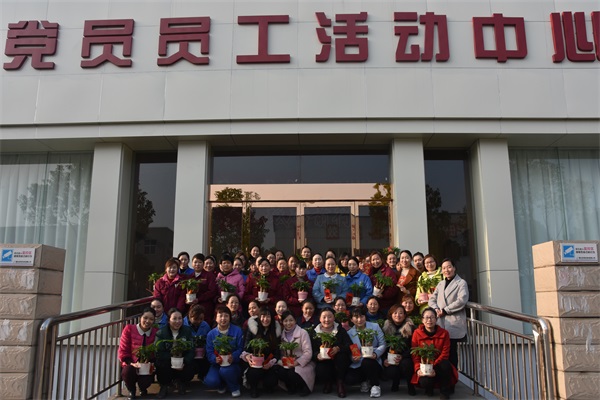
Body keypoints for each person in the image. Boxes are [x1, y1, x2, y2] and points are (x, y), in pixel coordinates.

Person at [428, 258, 469, 370]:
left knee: (452, 354)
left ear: (454, 268)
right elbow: (432, 299)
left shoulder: (461, 283)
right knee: (440, 352)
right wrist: (436, 309)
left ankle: (453, 377)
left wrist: (445, 310)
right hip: (441, 322)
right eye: (444, 268)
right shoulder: (441, 283)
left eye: (449, 267)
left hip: (453, 322)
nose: (446, 270)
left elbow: (462, 300)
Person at [411, 308, 458, 399]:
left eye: (432, 317)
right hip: (424, 366)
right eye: (426, 317)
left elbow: (445, 354)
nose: (429, 320)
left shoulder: (444, 333)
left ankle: (444, 392)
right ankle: (429, 388)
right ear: (422, 320)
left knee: (445, 364)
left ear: (436, 319)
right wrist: (418, 369)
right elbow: (415, 355)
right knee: (425, 382)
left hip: (438, 364)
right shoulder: (416, 333)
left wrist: (433, 366)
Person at [311, 307, 352, 398]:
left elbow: (349, 344)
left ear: (334, 318)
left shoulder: (340, 330)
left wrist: (338, 348)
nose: (327, 320)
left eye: (330, 317)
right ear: (320, 319)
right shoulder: (314, 332)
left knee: (342, 357)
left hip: (338, 359)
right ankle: (328, 382)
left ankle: (340, 383)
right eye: (324, 317)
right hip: (324, 360)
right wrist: (317, 355)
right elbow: (312, 350)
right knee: (320, 369)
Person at [205, 306, 245, 398]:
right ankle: (222, 385)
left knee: (226, 371)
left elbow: (240, 348)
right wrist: (214, 359)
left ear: (230, 317)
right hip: (217, 364)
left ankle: (234, 387)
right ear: (216, 318)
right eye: (220, 316)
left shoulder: (237, 330)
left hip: (233, 364)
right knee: (210, 381)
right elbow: (209, 352)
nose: (223, 318)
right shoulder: (211, 334)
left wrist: (233, 356)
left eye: (226, 316)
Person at [346, 307, 386, 398]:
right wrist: (353, 358)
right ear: (351, 319)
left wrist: (376, 354)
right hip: (359, 363)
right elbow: (352, 350)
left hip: (373, 361)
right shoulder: (349, 333)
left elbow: (382, 344)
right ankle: (364, 380)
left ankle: (375, 385)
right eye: (356, 317)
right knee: (349, 379)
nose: (359, 320)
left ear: (365, 316)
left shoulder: (375, 327)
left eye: (362, 316)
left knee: (367, 362)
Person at [118, 307, 158, 399]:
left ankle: (143, 388)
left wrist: (150, 362)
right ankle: (132, 390)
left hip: (147, 365)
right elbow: (123, 350)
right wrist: (131, 363)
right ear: (140, 317)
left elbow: (156, 352)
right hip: (131, 363)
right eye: (145, 318)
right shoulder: (129, 329)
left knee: (145, 381)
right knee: (127, 371)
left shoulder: (155, 332)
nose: (147, 321)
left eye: (151, 319)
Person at [155, 308, 195, 398]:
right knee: (161, 364)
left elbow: (191, 350)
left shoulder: (187, 331)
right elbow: (158, 352)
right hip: (168, 361)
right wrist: (173, 360)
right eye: (174, 319)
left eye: (180, 318)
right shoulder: (161, 333)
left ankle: (181, 382)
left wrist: (184, 361)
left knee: (191, 365)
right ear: (168, 320)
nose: (177, 321)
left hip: (182, 361)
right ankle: (164, 385)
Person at [242, 307, 282, 398]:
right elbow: (246, 347)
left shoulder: (276, 331)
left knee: (271, 380)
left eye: (268, 316)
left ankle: (267, 386)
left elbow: (277, 352)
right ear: (259, 317)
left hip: (268, 362)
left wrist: (271, 363)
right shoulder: (253, 329)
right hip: (255, 362)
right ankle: (254, 388)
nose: (265, 319)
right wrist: (247, 356)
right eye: (263, 316)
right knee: (253, 373)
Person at [276, 310, 314, 396]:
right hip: (287, 363)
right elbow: (281, 353)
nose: (288, 323)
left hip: (302, 363)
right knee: (280, 371)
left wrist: (296, 362)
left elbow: (308, 352)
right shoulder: (281, 335)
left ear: (295, 320)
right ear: (282, 322)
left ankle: (303, 386)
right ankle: (291, 386)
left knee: (293, 372)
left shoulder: (303, 333)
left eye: (291, 320)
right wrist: (283, 362)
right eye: (285, 321)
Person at [382, 304, 415, 395]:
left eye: (400, 313)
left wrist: (402, 356)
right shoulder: (386, 328)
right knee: (391, 371)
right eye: (395, 313)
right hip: (391, 356)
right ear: (391, 314)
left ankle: (410, 385)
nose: (398, 315)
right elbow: (383, 345)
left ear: (404, 315)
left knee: (407, 364)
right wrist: (384, 359)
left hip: (406, 356)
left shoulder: (411, 327)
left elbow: (414, 346)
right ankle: (395, 382)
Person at [187, 252, 218, 321]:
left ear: (203, 264)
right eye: (195, 262)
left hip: (206, 307)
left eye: (200, 262)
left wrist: (199, 299)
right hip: (192, 307)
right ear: (192, 264)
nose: (197, 264)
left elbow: (212, 291)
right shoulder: (190, 277)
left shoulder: (209, 276)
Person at [183, 304, 211, 382]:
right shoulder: (183, 324)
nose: (198, 321)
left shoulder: (205, 325)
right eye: (196, 319)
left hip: (201, 355)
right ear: (189, 315)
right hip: (188, 354)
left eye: (201, 319)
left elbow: (209, 341)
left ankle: (202, 376)